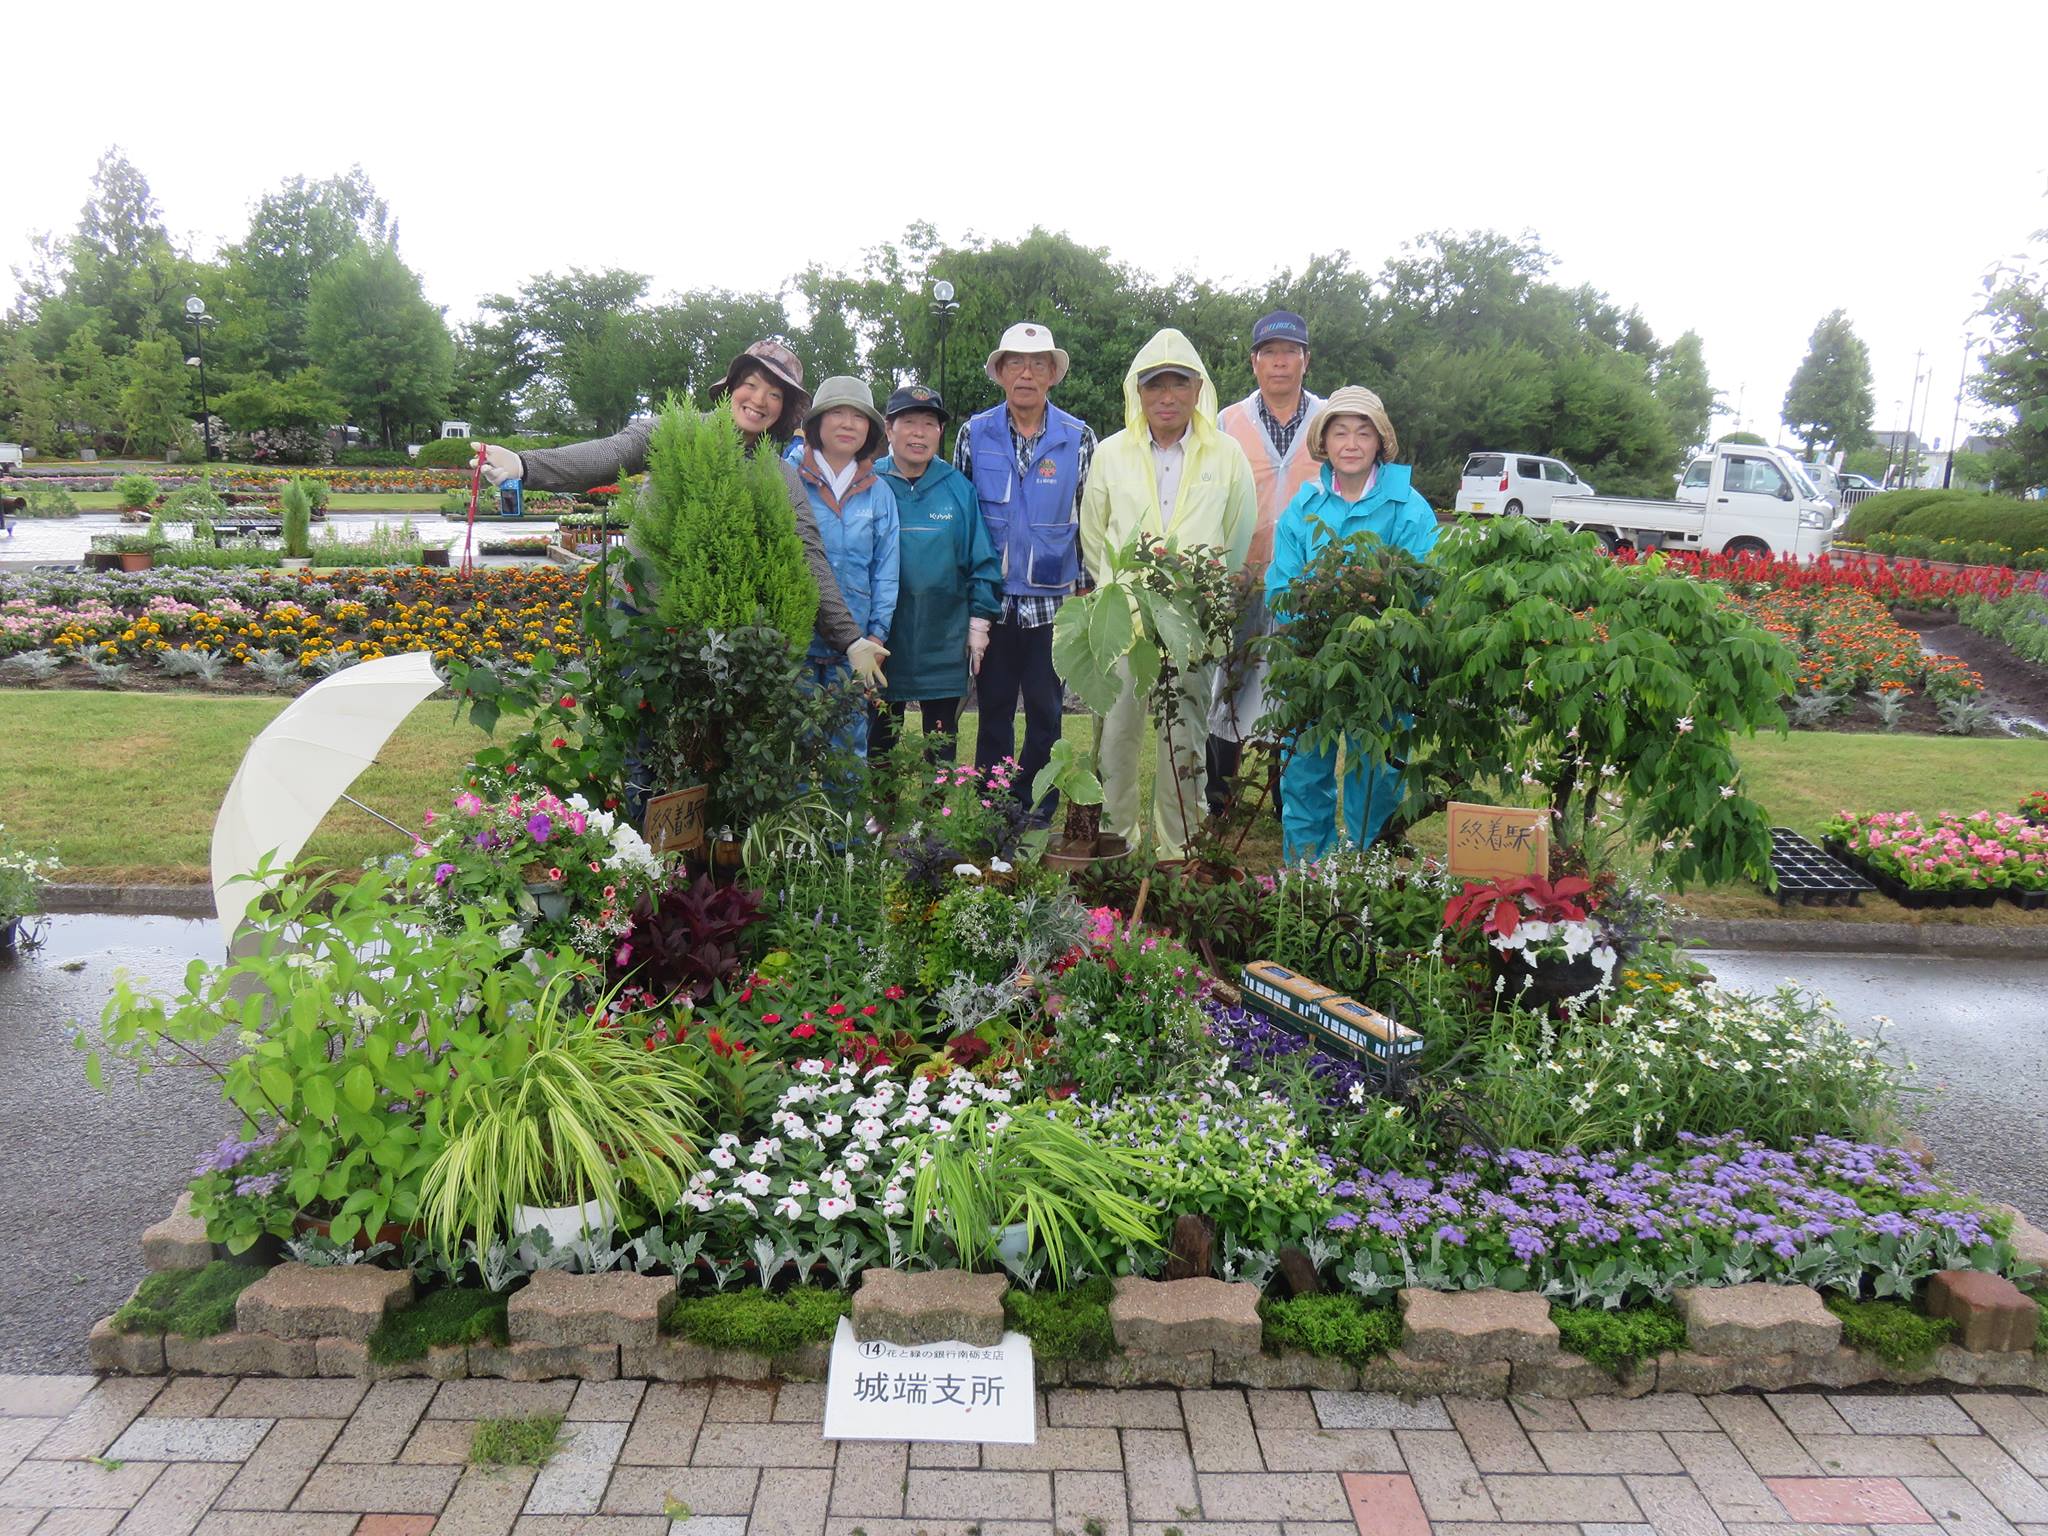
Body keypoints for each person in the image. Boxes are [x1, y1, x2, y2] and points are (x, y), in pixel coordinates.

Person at [472, 340, 887, 687]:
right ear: (730, 388)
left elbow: (808, 555)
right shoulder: (673, 432)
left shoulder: (780, 476)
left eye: (775, 394)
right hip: (643, 623)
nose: (760, 400)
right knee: (642, 755)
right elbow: (612, 452)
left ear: (784, 408)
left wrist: (850, 640)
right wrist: (526, 466)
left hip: (723, 640)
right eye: (751, 384)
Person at [1079, 328, 1257, 863]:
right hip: (1125, 628)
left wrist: (1200, 600)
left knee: (1184, 743)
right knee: (1117, 738)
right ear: (1139, 391)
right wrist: (1122, 598)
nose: (1167, 397)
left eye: (1178, 385)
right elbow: (1094, 534)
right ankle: (1116, 846)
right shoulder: (1111, 453)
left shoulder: (1227, 456)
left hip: (1193, 626)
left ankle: (1180, 853)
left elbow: (1238, 532)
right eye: (1155, 386)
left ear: (1197, 388)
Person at [1263, 385, 1439, 863]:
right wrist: (1317, 623)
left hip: (1386, 669)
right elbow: (1280, 587)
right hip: (1313, 666)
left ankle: (1366, 875)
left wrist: (1372, 628)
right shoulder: (1304, 509)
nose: (1352, 443)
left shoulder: (1409, 508)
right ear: (1325, 442)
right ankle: (1306, 877)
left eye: (1364, 432)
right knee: (1303, 769)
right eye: (1340, 432)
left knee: (1377, 772)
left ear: (1380, 441)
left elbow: (1424, 584)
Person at [953, 323, 1097, 822]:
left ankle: (1037, 807)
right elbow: (963, 518)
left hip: (1053, 607)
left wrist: (1087, 595)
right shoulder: (975, 432)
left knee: (1046, 715)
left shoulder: (1078, 437)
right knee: (991, 713)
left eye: (1038, 364)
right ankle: (993, 805)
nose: (1027, 373)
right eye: (1016, 362)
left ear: (1053, 374)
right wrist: (970, 601)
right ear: (1000, 373)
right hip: (992, 606)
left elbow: (1090, 519)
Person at [1206, 310, 1325, 820]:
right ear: (1254, 362)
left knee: (1293, 685)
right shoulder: (1228, 421)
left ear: (1305, 360)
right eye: (1269, 353)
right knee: (1231, 682)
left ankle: (1286, 799)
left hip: (1308, 581)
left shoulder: (1328, 419)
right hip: (1243, 576)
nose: (1280, 362)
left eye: (1290, 352)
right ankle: (1221, 798)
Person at [871, 384, 1000, 762]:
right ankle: (881, 812)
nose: (918, 433)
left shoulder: (958, 489)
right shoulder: (869, 482)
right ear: (888, 427)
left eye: (929, 424)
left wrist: (980, 623)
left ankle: (935, 817)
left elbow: (983, 560)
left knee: (940, 742)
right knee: (879, 736)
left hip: (944, 638)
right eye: (908, 422)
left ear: (940, 432)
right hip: (882, 638)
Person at [786, 377, 900, 760]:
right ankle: (797, 823)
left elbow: (886, 569)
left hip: (856, 646)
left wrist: (878, 634)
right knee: (792, 754)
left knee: (848, 753)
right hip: (795, 641)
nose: (848, 423)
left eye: (858, 416)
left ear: (870, 429)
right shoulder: (786, 477)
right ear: (816, 422)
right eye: (837, 413)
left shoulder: (879, 491)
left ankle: (846, 822)